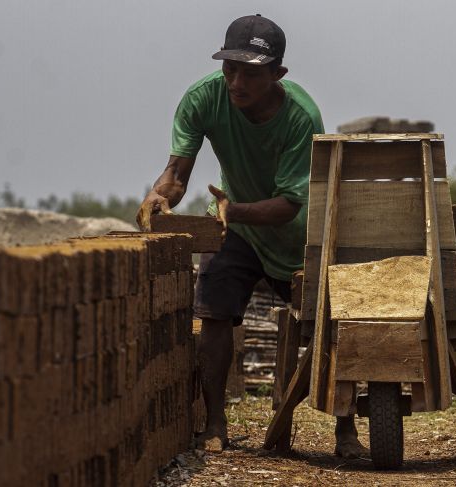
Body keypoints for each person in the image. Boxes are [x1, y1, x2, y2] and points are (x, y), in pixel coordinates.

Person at [136, 14, 367, 457]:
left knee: (327, 324)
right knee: (216, 314)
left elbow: (288, 205)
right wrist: (158, 198)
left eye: (251, 73)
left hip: (294, 234)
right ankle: (216, 424)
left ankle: (346, 431)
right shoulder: (203, 98)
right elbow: (177, 173)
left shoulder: (301, 116)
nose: (237, 82)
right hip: (234, 227)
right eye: (230, 69)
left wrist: (232, 209)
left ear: (278, 74)